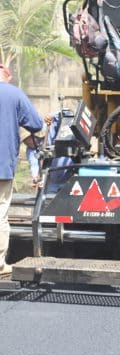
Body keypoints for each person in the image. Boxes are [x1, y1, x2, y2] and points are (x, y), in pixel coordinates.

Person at [0, 63, 43, 275]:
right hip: (2, 166)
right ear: (7, 77)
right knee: (0, 213)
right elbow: (36, 123)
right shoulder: (14, 94)